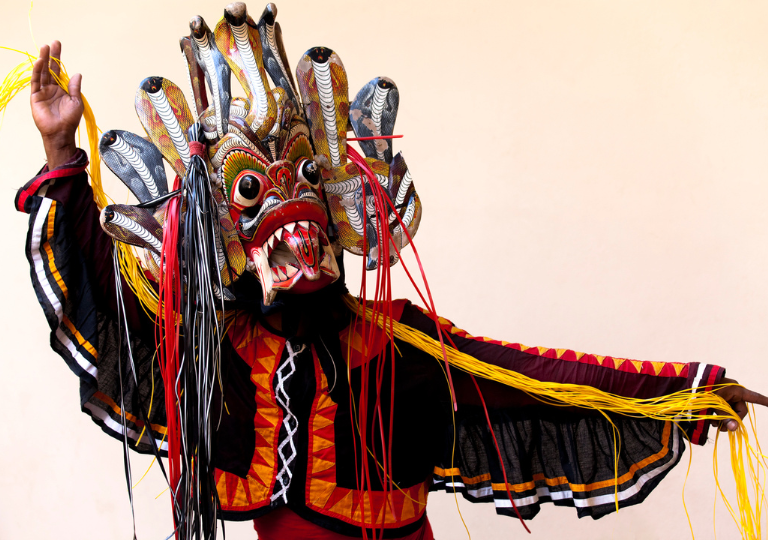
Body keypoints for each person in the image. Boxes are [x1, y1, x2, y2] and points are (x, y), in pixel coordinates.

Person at [16, 10, 768, 539]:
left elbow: (532, 379)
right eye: (253, 190)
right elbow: (106, 303)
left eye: (307, 177)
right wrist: (60, 152)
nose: (290, 206)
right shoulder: (218, 356)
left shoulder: (398, 344)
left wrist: (685, 390)